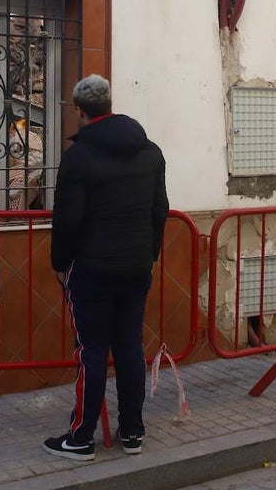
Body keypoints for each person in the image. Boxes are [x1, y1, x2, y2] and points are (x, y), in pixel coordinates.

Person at [42, 74, 169, 462]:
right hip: (135, 268)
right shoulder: (150, 151)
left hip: (93, 270)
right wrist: (149, 254)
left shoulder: (79, 157)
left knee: (91, 350)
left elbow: (67, 219)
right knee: (129, 347)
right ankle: (133, 432)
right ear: (110, 102)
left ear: (79, 111)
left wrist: (60, 263)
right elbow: (159, 210)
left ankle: (81, 438)